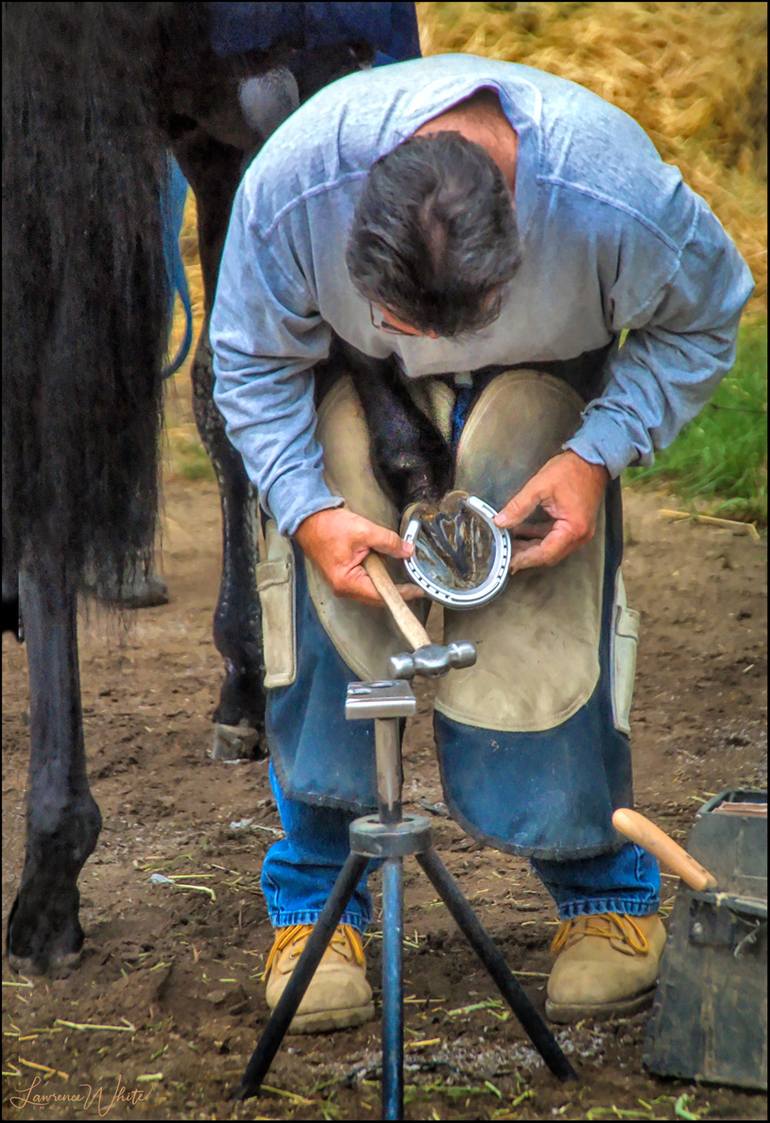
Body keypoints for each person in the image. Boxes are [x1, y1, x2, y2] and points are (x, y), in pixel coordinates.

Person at [210, 53, 754, 1032]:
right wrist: (304, 505)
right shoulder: (296, 184)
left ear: (513, 248)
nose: (417, 337)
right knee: (328, 613)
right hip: (351, 384)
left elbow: (706, 317)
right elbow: (247, 360)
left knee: (548, 620)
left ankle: (600, 898)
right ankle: (312, 906)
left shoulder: (610, 198)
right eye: (395, 313)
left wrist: (595, 453)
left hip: (542, 383)